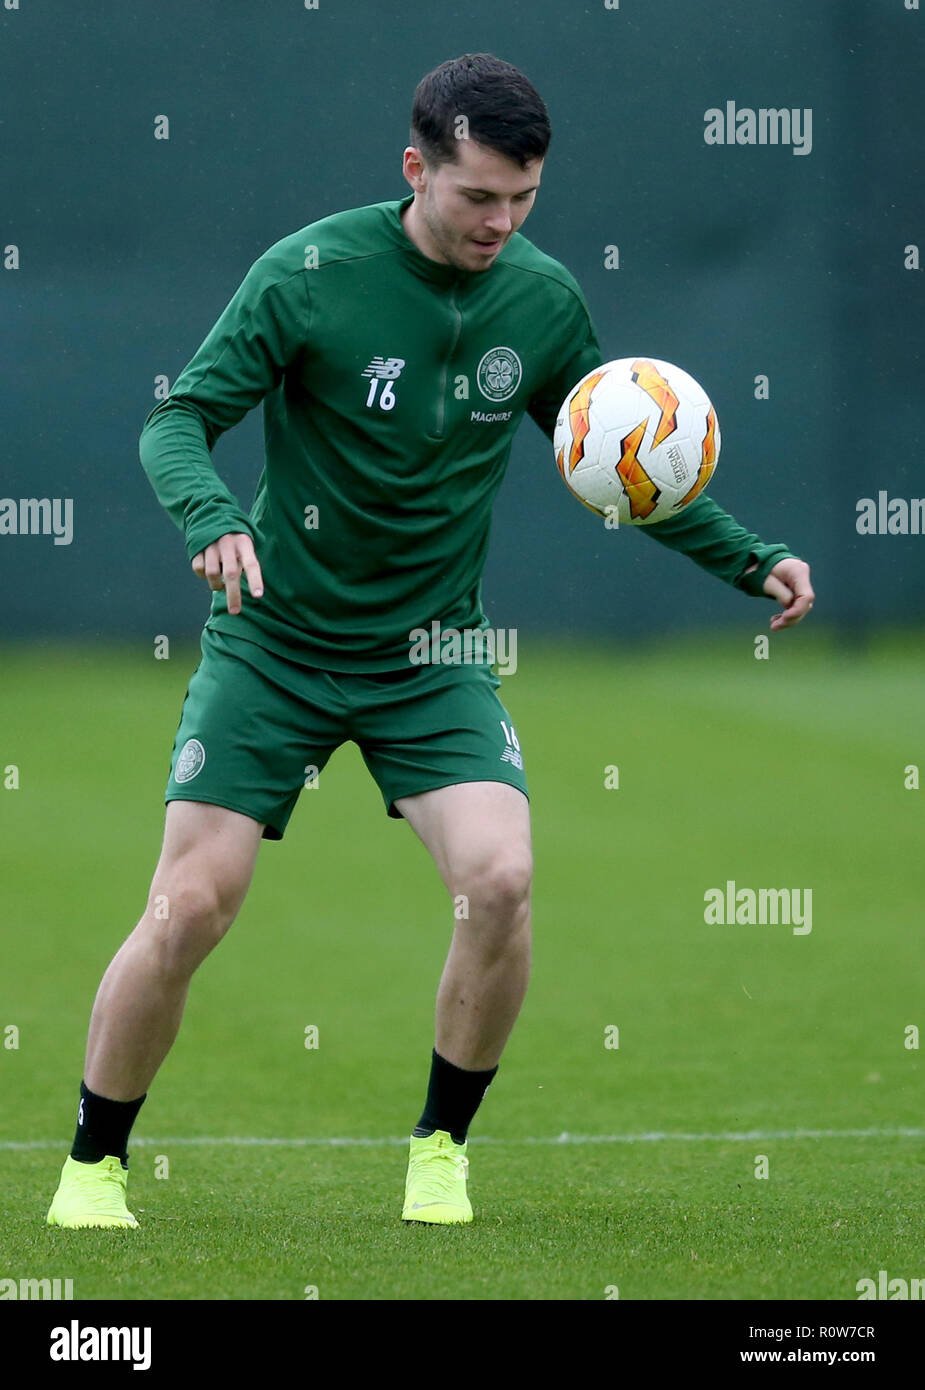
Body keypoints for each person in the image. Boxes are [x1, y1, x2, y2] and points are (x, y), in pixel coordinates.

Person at [46, 52, 814, 1231]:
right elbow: (178, 419)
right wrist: (211, 519)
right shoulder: (309, 275)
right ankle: (96, 1162)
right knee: (191, 904)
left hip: (433, 655)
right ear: (416, 169)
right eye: (476, 197)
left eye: (523, 199)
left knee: (500, 878)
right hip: (275, 644)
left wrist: (747, 554)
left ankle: (439, 1150)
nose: (499, 222)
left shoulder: (544, 301)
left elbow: (614, 458)